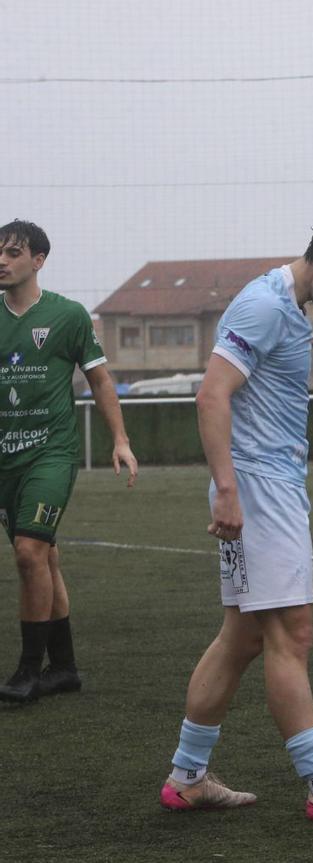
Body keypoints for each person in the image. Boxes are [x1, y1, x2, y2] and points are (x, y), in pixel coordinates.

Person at [159, 213, 313, 820]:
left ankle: (187, 777)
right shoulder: (264, 305)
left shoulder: (288, 307)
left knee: (240, 636)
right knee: (293, 633)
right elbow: (212, 393)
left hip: (271, 486)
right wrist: (227, 489)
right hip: (259, 490)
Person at [0, 220, 137, 705]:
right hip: (5, 462)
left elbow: (101, 380)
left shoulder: (68, 315)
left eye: (13, 252)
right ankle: (64, 668)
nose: (2, 260)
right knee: (45, 557)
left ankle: (26, 672)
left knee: (28, 553)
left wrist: (119, 439)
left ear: (38, 260)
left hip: (51, 455)